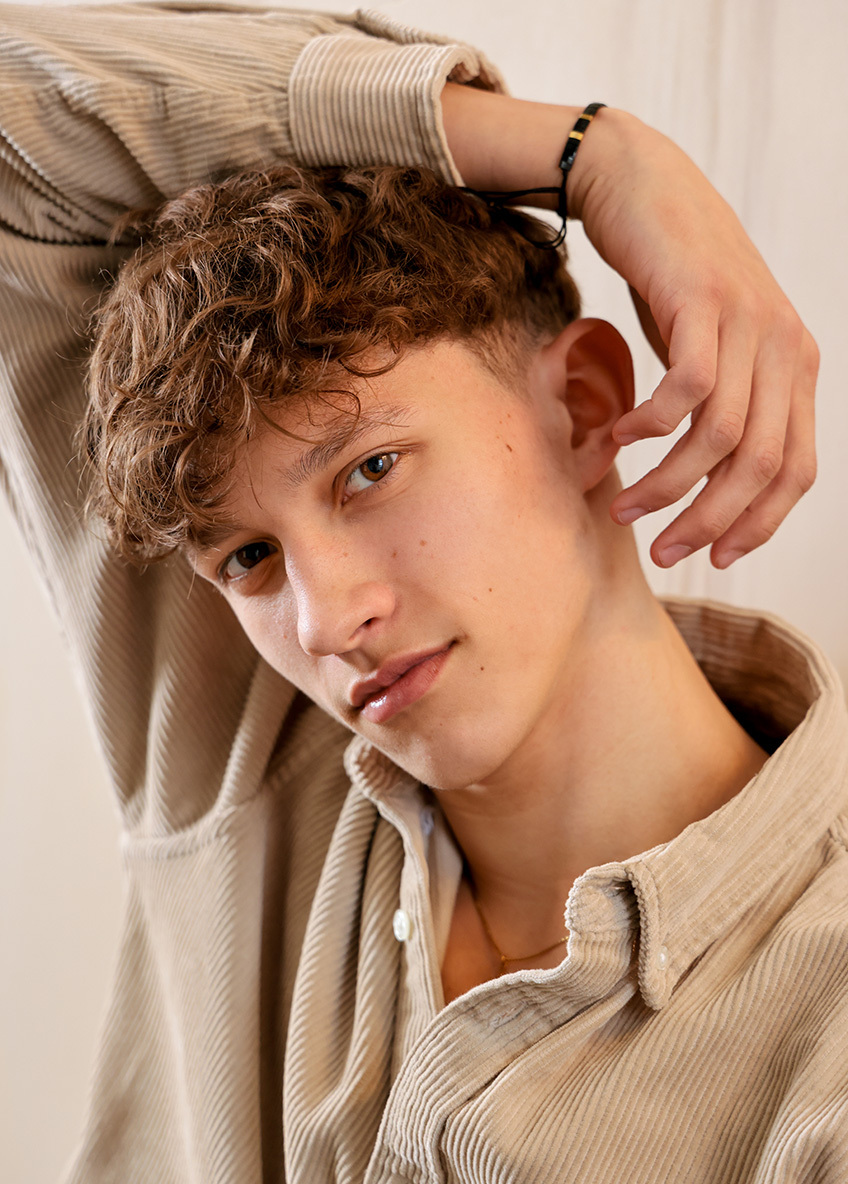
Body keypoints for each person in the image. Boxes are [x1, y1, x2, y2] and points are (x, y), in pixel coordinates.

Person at [0, 4, 836, 1182]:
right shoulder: (233, 743)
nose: (324, 620)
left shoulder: (824, 1041)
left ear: (583, 408)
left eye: (369, 469)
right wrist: (593, 155)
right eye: (248, 557)